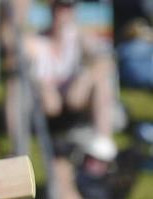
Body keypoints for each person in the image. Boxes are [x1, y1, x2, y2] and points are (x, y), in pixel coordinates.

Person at [22, 0, 117, 139]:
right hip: (42, 108)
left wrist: (85, 79)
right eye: (60, 7)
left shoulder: (79, 36)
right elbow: (17, 66)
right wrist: (42, 87)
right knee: (16, 84)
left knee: (102, 80)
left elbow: (106, 60)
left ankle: (102, 144)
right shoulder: (35, 41)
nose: (63, 13)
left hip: (72, 104)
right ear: (52, 9)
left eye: (69, 8)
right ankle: (18, 145)